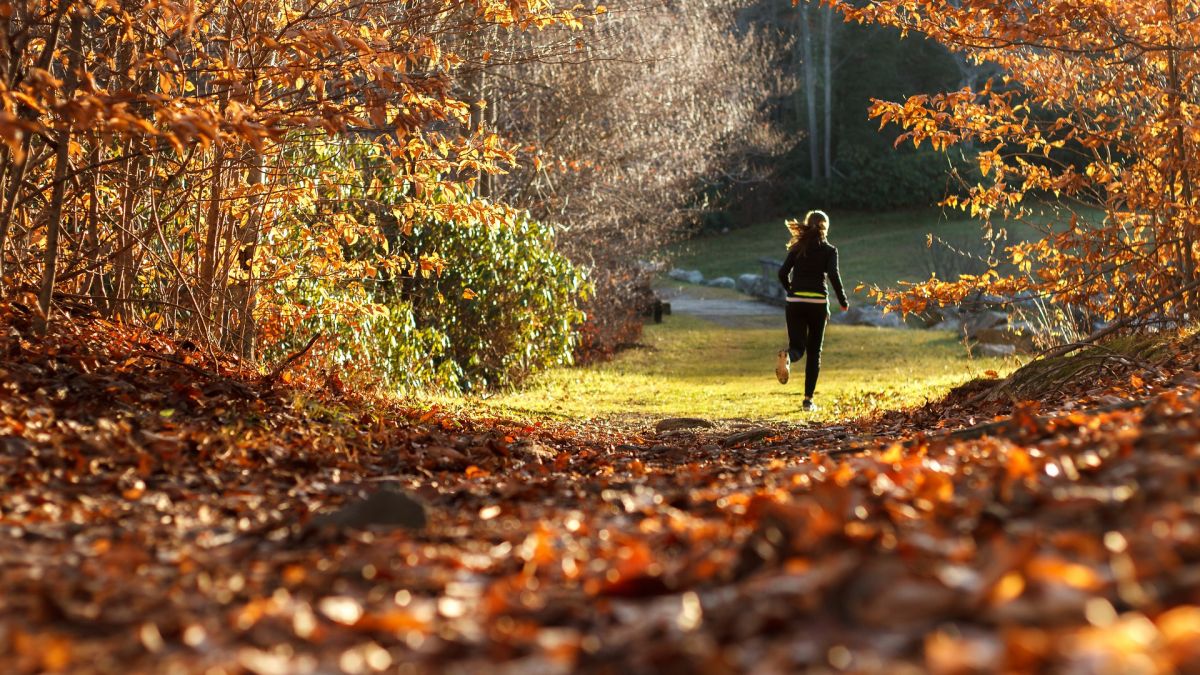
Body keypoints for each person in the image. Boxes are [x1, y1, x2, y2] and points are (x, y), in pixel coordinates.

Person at [775, 210, 848, 411]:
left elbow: (782, 273)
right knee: (814, 352)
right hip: (817, 304)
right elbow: (833, 275)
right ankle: (808, 401)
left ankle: (787, 356)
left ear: (808, 225)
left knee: (797, 347)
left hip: (795, 302)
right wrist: (843, 301)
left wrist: (791, 290)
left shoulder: (798, 248)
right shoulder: (829, 250)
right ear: (826, 227)